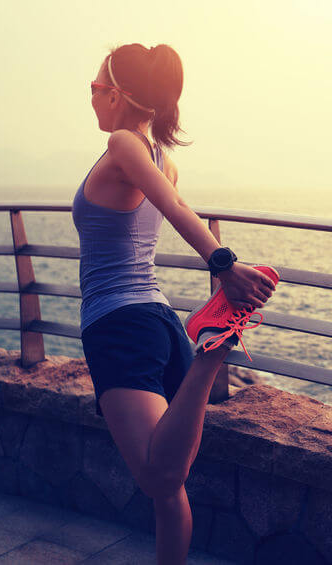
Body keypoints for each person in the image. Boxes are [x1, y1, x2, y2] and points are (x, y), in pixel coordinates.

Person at [71, 42, 278, 565]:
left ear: (117, 95)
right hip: (156, 321)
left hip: (119, 322)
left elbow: (172, 206)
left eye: (95, 87)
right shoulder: (162, 157)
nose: (90, 96)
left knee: (158, 475)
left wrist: (224, 265)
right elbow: (178, 202)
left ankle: (212, 351)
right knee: (170, 492)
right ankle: (209, 345)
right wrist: (224, 265)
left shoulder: (123, 143)